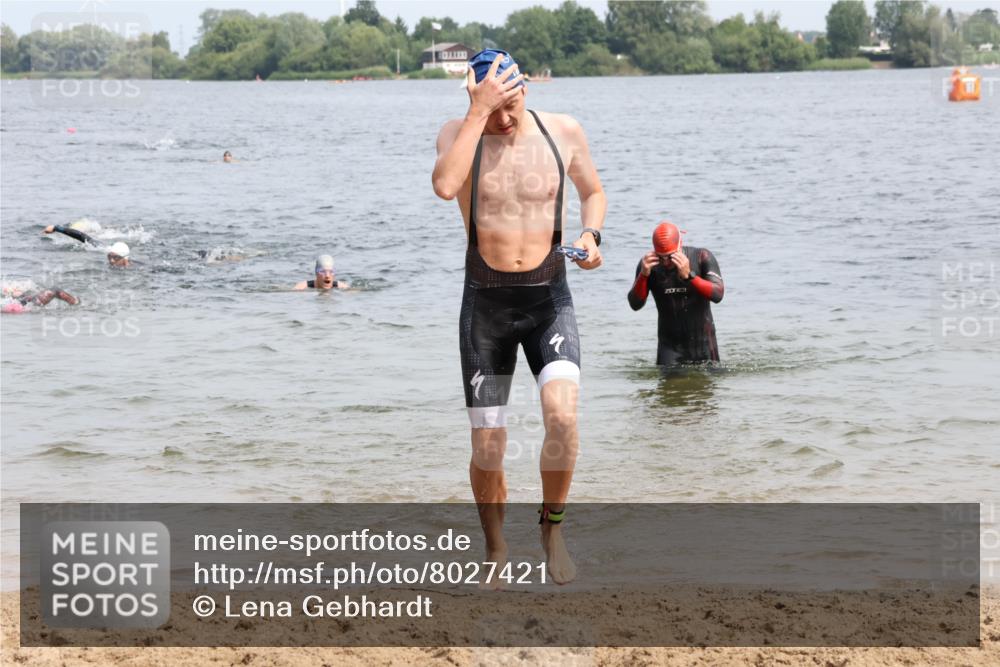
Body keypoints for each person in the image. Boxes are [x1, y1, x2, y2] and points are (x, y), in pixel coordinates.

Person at [432, 49, 606, 585]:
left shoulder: (563, 131)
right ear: (474, 97)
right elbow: (444, 185)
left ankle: (552, 528)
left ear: (526, 88)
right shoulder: (458, 134)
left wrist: (589, 236)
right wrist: (477, 112)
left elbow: (593, 193)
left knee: (563, 419)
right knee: (488, 447)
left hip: (548, 300)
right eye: (493, 108)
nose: (504, 119)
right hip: (485, 304)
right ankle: (495, 548)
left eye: (510, 105)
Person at [628, 221, 725, 365]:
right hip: (669, 348)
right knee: (668, 387)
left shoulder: (701, 257)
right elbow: (635, 304)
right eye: (661, 257)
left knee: (708, 385)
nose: (666, 262)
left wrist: (690, 276)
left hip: (704, 344)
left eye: (670, 256)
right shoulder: (648, 265)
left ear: (680, 245)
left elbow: (718, 295)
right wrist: (643, 275)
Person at [42, 225, 131, 268]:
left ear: (125, 259)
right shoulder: (103, 249)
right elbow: (82, 236)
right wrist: (56, 228)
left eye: (115, 258)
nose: (111, 260)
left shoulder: (135, 268)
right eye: (110, 256)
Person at [1, 281, 78, 313]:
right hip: (23, 303)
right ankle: (76, 303)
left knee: (28, 291)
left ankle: (75, 303)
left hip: (21, 301)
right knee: (55, 290)